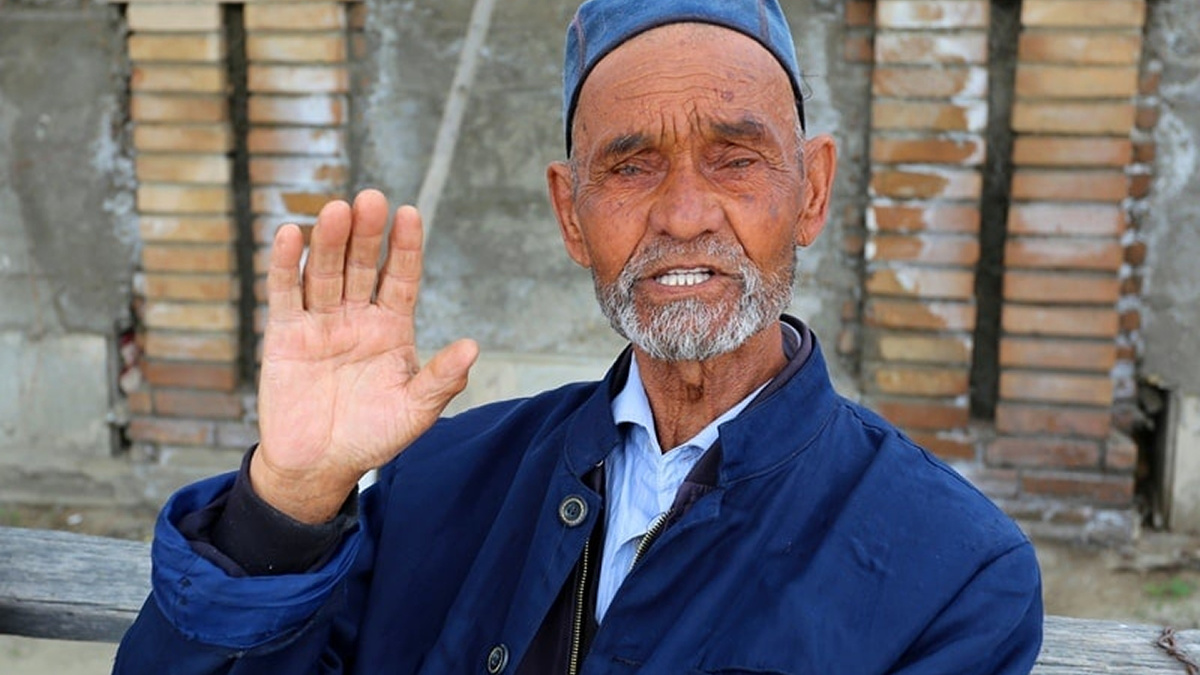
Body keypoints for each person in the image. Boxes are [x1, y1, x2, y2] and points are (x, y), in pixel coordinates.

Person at [114, 0, 1043, 672]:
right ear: (571, 214)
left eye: (735, 157)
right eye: (631, 166)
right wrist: (286, 505)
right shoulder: (435, 482)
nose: (684, 214)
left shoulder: (953, 573)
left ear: (811, 191)